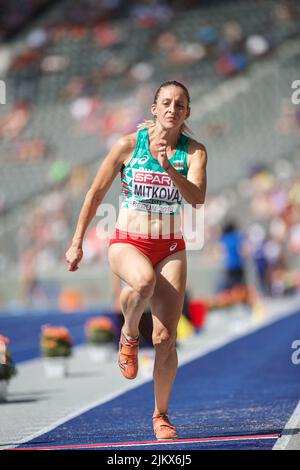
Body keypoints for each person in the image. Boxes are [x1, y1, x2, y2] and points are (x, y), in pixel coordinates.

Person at [65, 80, 207, 440]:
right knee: (142, 281)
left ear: (187, 112)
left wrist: (169, 168)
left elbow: (197, 198)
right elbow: (96, 193)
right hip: (127, 241)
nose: (172, 109)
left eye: (180, 104)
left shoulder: (194, 153)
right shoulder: (128, 145)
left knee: (165, 338)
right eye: (166, 102)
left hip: (170, 246)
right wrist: (77, 242)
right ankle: (128, 335)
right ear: (154, 108)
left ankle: (161, 415)